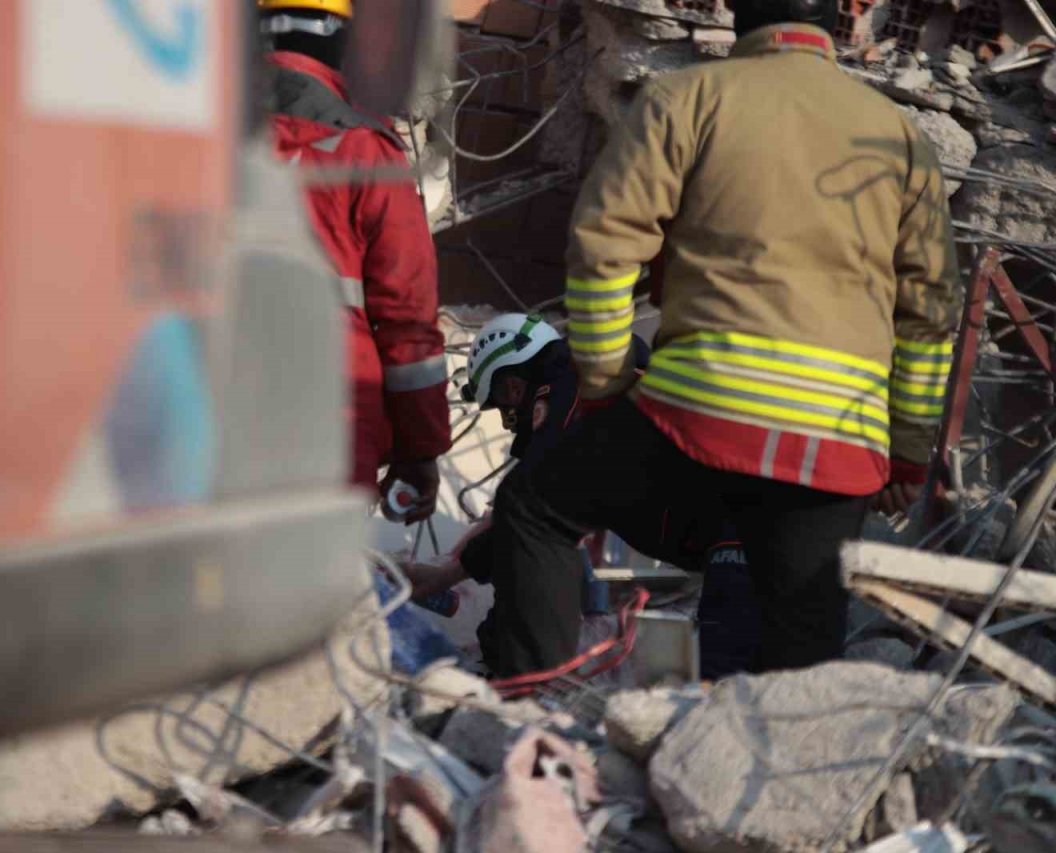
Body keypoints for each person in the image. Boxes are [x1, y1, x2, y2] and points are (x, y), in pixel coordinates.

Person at [482, 0, 962, 677]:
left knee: (535, 507)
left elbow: (602, 251)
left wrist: (606, 383)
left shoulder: (686, 98)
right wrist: (908, 453)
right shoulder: (900, 136)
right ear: (839, 26)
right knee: (803, 643)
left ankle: (528, 703)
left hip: (698, 414)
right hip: (837, 442)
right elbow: (931, 313)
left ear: (741, 19)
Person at [404, 314, 760, 678]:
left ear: (513, 388)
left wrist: (493, 662)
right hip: (749, 527)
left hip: (741, 529)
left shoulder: (567, 394)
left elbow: (527, 529)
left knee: (727, 680)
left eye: (509, 415)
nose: (514, 428)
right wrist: (457, 570)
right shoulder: (599, 395)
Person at [260, 0, 450, 520]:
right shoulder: (367, 152)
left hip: (198, 429)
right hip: (327, 430)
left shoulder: (199, 140)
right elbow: (408, 318)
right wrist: (419, 449)